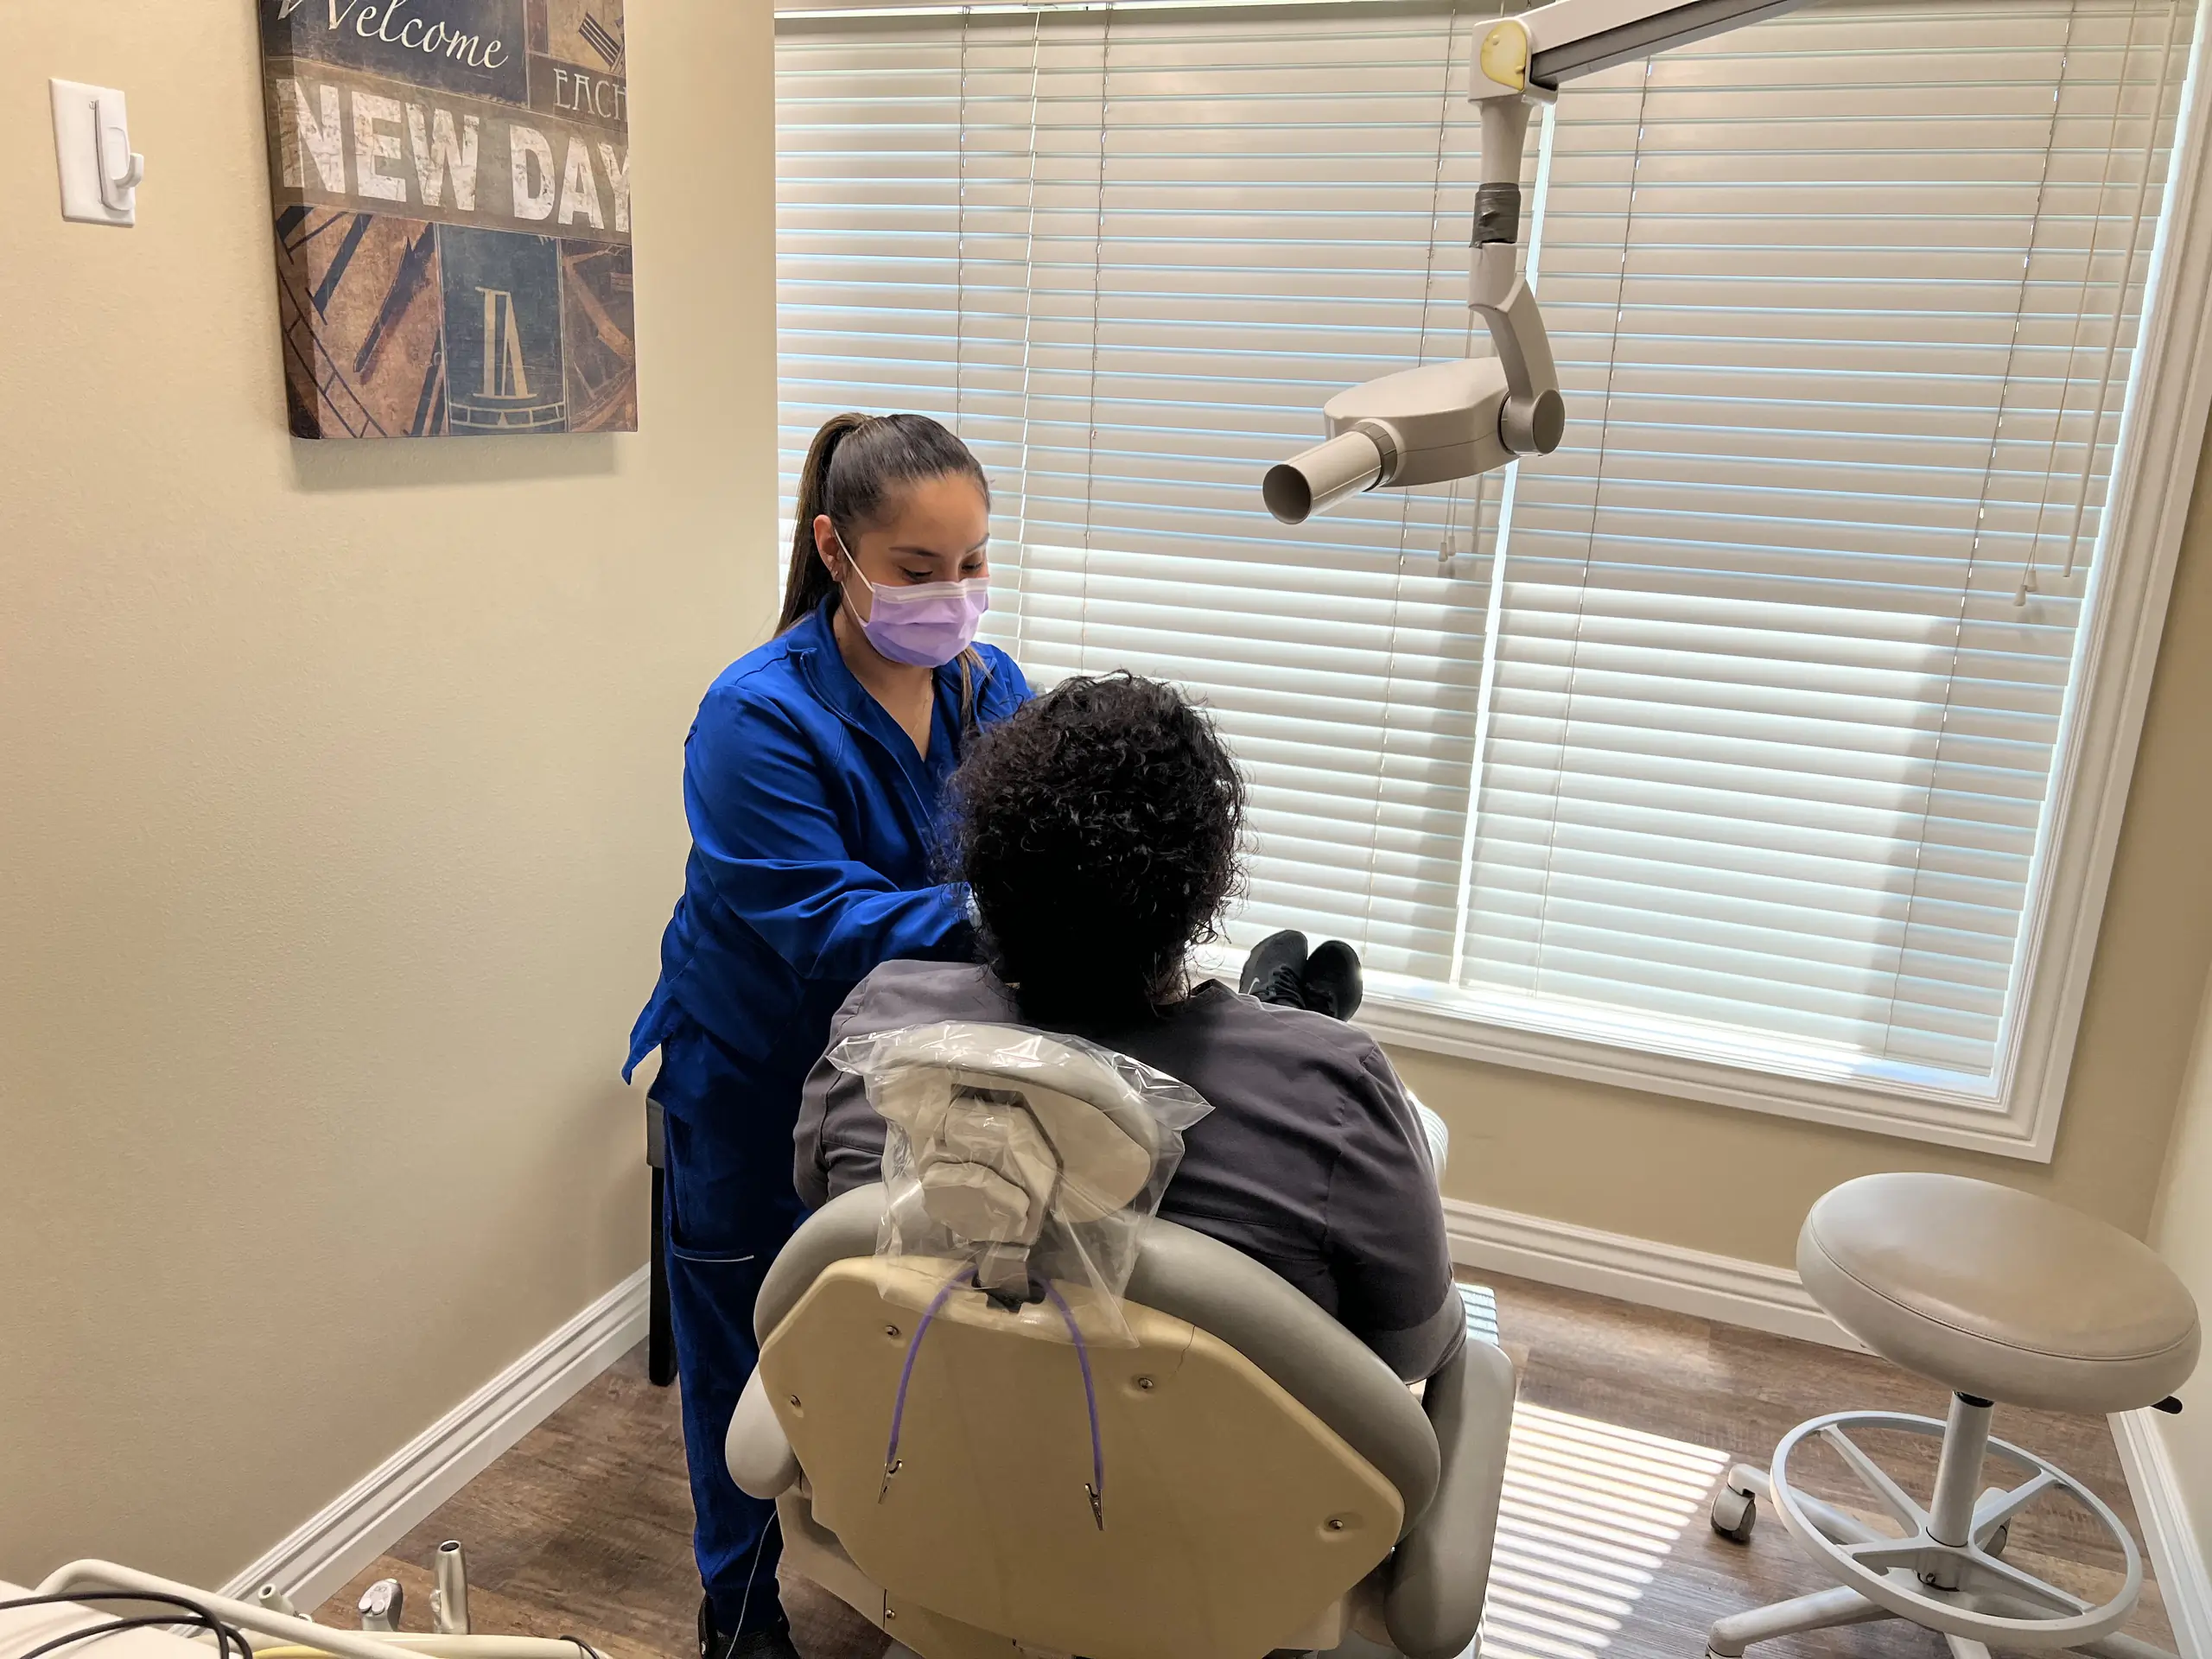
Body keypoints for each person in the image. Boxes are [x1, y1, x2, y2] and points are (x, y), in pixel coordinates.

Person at [623, 413, 1032, 1659]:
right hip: (750, 1076)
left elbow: (1027, 837)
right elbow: (826, 923)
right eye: (918, 569)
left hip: (906, 1077)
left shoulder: (987, 685)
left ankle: (919, 1569)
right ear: (835, 550)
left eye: (971, 564)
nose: (952, 597)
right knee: (744, 1361)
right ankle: (739, 1619)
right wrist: (1021, 907)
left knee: (900, 1335)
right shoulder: (756, 718)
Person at [795, 673, 1463, 1382]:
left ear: (981, 878)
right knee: (1423, 1127)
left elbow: (829, 1216)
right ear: (1209, 888)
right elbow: (1411, 1350)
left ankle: (1281, 1012)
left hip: (924, 1466)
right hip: (1216, 1490)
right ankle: (1282, 1016)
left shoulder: (877, 1036)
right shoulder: (1332, 1089)